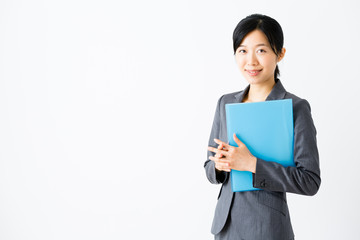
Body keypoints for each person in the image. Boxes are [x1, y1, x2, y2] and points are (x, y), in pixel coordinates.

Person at [204, 13, 321, 240]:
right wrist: (218, 165)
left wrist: (252, 164)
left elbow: (310, 181)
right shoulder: (225, 103)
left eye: (261, 50)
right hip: (226, 226)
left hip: (267, 228)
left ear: (280, 53)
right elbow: (209, 169)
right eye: (242, 50)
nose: (251, 61)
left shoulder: (295, 107)